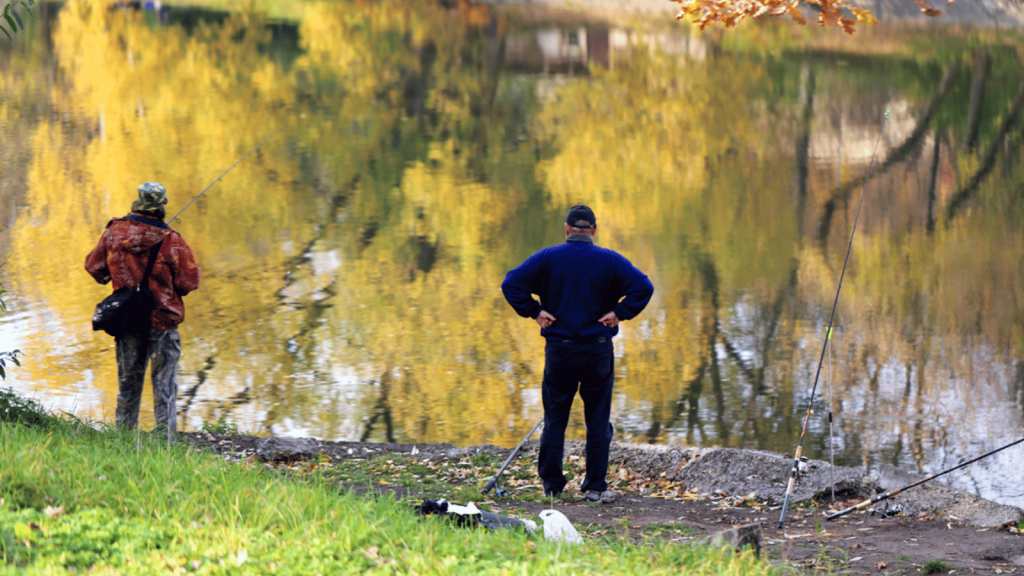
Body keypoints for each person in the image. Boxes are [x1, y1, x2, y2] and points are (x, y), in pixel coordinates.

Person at [501, 205, 654, 503]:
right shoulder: (610, 260)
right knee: (597, 420)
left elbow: (511, 284)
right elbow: (643, 287)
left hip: (560, 351)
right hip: (597, 350)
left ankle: (552, 486)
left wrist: (535, 311)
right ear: (593, 231)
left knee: (555, 418)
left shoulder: (548, 258)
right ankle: (595, 487)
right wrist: (619, 313)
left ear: (567, 229)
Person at [85, 182, 201, 440]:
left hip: (127, 319)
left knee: (128, 382)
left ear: (138, 201)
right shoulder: (171, 239)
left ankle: (123, 439)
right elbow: (189, 282)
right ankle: (165, 443)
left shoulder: (114, 233)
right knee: (165, 385)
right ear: (161, 204)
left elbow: (95, 269)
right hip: (163, 320)